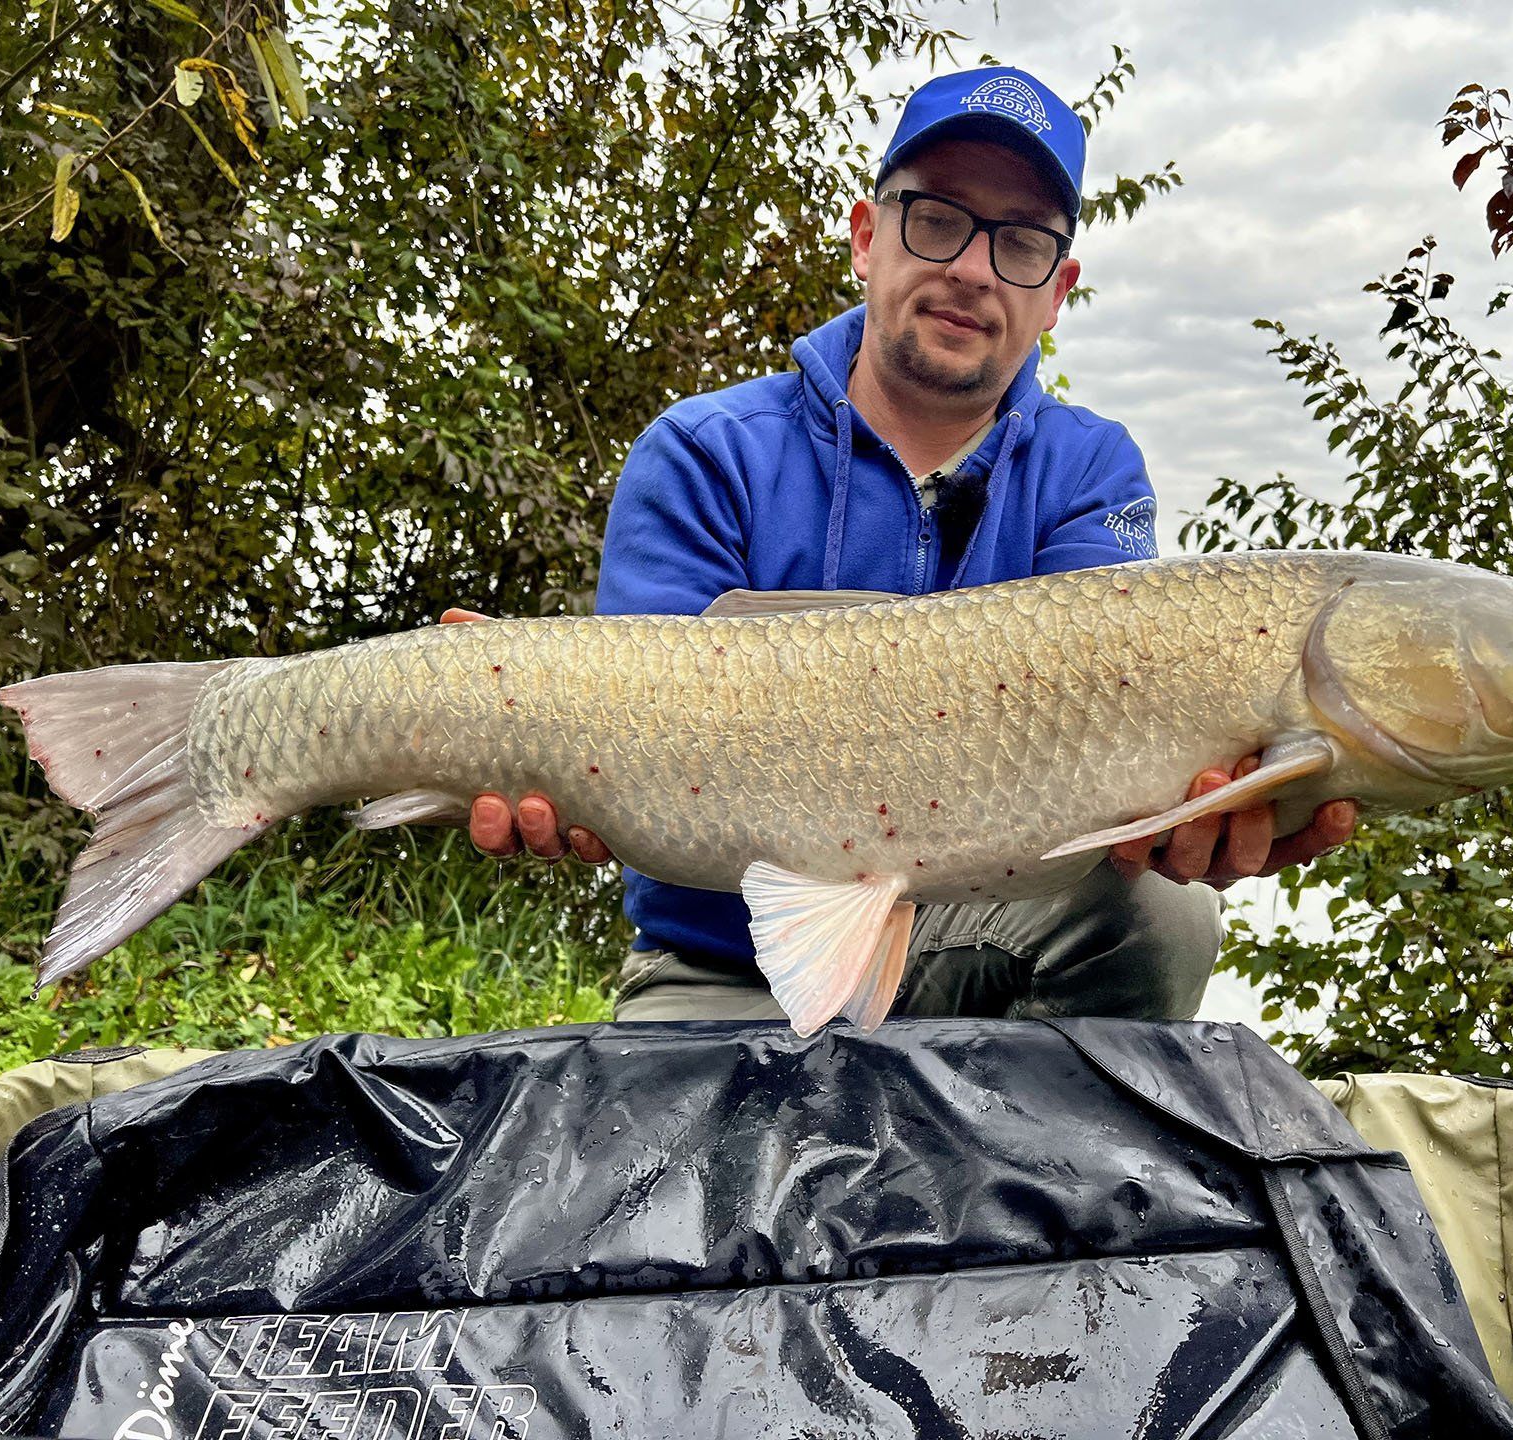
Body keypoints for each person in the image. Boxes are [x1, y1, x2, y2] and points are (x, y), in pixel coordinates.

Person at [445, 66, 1357, 1022]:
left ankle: (1031, 1164)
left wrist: (1189, 812)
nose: (971, 268)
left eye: (1022, 241)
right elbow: (636, 725)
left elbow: (1116, 742)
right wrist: (518, 714)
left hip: (981, 938)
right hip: (723, 962)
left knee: (1167, 913)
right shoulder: (705, 450)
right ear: (867, 237)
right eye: (937, 219)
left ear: (1058, 292)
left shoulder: (1091, 469)